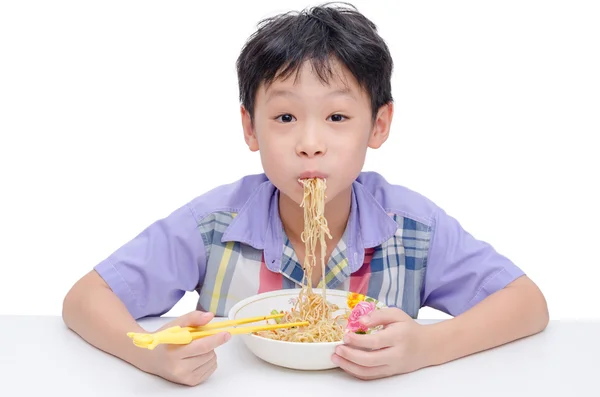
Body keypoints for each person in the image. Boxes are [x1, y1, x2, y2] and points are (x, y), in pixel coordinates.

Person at [62, 2, 549, 386]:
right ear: (250, 128)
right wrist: (150, 354)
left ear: (378, 126)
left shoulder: (412, 228)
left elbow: (527, 303)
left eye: (337, 117)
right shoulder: (213, 224)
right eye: (285, 118)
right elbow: (85, 298)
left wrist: (426, 346)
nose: (310, 143)